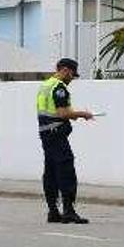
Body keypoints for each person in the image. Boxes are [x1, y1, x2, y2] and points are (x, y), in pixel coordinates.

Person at [37, 58, 94, 224]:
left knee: (51, 172)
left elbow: (53, 112)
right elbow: (62, 114)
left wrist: (71, 115)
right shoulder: (59, 88)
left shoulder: (45, 85)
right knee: (66, 170)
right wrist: (82, 114)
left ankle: (53, 211)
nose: (72, 79)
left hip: (46, 134)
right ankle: (68, 210)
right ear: (66, 70)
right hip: (56, 135)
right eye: (72, 75)